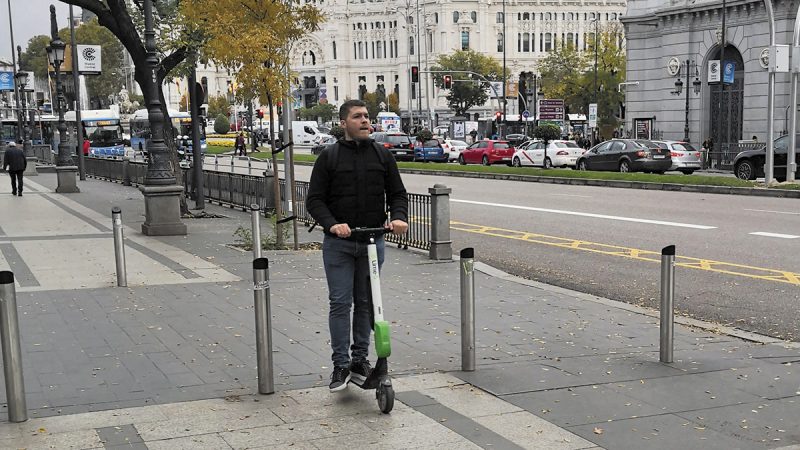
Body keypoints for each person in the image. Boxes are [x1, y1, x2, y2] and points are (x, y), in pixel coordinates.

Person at [306, 99, 409, 392]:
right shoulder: (329, 157)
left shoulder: (382, 155)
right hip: (339, 245)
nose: (365, 121)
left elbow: (398, 194)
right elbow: (315, 200)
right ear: (343, 123)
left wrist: (398, 217)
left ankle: (360, 360)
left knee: (365, 303)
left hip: (372, 243)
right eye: (357, 116)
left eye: (366, 116)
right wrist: (332, 224)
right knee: (340, 303)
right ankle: (340, 365)